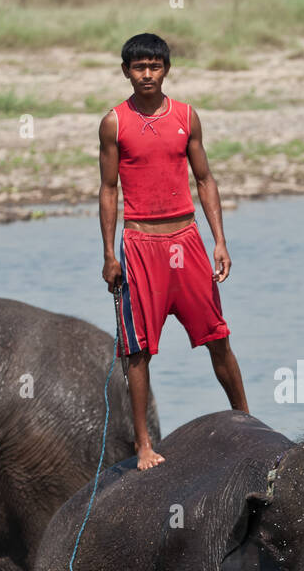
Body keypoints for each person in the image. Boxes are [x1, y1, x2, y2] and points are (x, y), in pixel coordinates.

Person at [99, 32, 248, 470]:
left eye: (155, 66)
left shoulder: (186, 116)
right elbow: (109, 189)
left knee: (217, 337)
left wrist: (219, 240)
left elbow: (205, 179)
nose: (147, 74)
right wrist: (109, 254)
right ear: (126, 71)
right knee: (137, 351)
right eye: (139, 67)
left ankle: (247, 420)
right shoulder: (115, 122)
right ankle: (144, 445)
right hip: (140, 245)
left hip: (187, 241)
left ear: (166, 69)